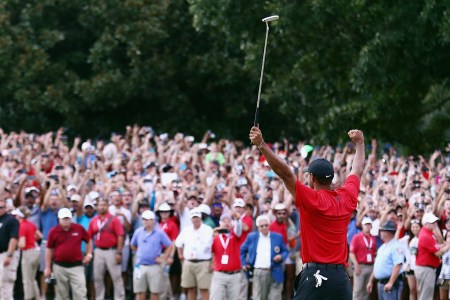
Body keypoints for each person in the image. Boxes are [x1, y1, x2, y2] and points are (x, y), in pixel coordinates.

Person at [249, 127, 365, 300]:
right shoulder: (347, 197)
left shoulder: (312, 199)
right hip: (341, 278)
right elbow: (356, 170)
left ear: (311, 178)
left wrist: (261, 145)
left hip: (316, 275)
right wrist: (361, 143)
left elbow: (286, 174)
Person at [45, 208, 93, 300]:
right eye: (63, 218)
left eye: (67, 218)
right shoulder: (53, 231)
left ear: (71, 218)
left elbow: (89, 240)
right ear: (59, 219)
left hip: (76, 266)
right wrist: (47, 267)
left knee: (80, 292)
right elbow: (49, 249)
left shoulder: (78, 228)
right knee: (61, 294)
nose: (65, 221)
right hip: (59, 266)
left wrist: (89, 254)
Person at [240, 215, 288, 300]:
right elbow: (242, 250)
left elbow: (285, 251)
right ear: (258, 227)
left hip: (275, 270)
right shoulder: (252, 237)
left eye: (266, 225)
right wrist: (244, 263)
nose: (264, 227)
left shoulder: (278, 237)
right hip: (259, 271)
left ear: (269, 225)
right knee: (259, 297)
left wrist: (281, 256)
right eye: (262, 226)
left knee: (275, 297)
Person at [130, 210, 174, 300]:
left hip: (154, 266)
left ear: (153, 220)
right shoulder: (138, 232)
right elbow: (132, 245)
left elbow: (169, 245)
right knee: (140, 291)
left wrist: (164, 258)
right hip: (140, 265)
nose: (145, 221)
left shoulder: (159, 233)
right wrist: (140, 252)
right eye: (144, 219)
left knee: (155, 291)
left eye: (148, 219)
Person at [87, 198, 125, 300]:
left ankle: (119, 298)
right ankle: (99, 297)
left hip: (111, 250)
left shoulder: (114, 219)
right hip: (98, 251)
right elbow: (89, 237)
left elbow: (120, 236)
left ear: (107, 206)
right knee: (97, 277)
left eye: (104, 205)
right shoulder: (94, 221)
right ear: (97, 207)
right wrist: (90, 252)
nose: (102, 207)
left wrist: (119, 252)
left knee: (116, 277)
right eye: (100, 205)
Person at [175, 207, 214, 300]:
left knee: (204, 289)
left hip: (204, 262)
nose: (195, 219)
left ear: (200, 218)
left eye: (197, 217)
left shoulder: (208, 230)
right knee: (190, 288)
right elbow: (178, 243)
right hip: (189, 262)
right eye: (193, 217)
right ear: (191, 219)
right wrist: (180, 255)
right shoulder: (186, 230)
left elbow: (214, 247)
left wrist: (213, 262)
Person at [415, 213, 450, 300]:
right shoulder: (426, 235)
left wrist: (444, 245)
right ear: (426, 224)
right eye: (432, 222)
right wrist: (448, 245)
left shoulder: (428, 233)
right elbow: (438, 253)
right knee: (426, 297)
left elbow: (436, 247)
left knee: (425, 295)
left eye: (435, 222)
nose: (435, 224)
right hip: (426, 269)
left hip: (426, 268)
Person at [367, 220, 405, 299]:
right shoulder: (382, 247)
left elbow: (398, 265)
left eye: (382, 230)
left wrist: (391, 282)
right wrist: (370, 281)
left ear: (387, 232)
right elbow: (377, 265)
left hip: (391, 283)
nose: (380, 233)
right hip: (381, 283)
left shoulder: (396, 246)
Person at [210, 213, 242, 300]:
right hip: (219, 274)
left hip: (234, 275)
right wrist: (211, 236)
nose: (226, 223)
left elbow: (239, 230)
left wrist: (238, 220)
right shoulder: (215, 237)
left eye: (229, 221)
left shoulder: (235, 235)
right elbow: (207, 249)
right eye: (224, 221)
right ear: (220, 223)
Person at [15, 207, 42, 300]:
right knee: (32, 278)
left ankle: (28, 298)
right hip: (36, 251)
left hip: (28, 253)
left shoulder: (21, 226)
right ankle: (37, 297)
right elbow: (39, 235)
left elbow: (22, 244)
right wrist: (32, 239)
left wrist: (13, 243)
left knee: (26, 279)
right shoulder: (31, 224)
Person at [349, 217, 376, 300]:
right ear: (362, 226)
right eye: (366, 225)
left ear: (371, 226)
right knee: (357, 290)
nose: (367, 226)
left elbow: (374, 252)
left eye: (369, 225)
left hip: (370, 266)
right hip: (360, 266)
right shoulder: (357, 237)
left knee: (366, 291)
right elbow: (351, 253)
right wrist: (356, 265)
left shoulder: (373, 238)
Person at [0, 198, 20, 300]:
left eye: (1, 207)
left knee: (5, 284)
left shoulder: (11, 220)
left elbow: (14, 238)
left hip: (6, 254)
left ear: (5, 208)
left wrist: (9, 254)